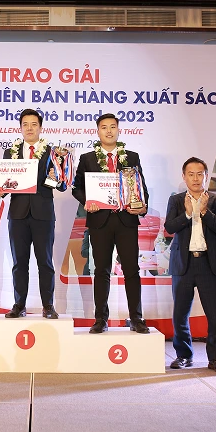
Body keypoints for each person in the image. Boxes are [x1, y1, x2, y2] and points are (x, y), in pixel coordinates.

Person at [72, 113, 150, 334]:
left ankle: (136, 318)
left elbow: (141, 187)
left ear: (118, 130)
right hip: (100, 221)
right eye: (104, 127)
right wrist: (87, 201)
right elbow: (76, 187)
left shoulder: (131, 157)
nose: (109, 131)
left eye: (113, 127)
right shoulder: (88, 158)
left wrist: (142, 206)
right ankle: (100, 319)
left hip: (126, 220)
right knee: (101, 271)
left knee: (131, 270)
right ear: (98, 131)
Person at [0, 108, 65, 319]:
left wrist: (56, 178)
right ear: (20, 128)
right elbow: (5, 185)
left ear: (40, 128)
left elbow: (60, 186)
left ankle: (48, 305)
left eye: (34, 124)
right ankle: (19, 304)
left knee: (46, 263)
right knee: (19, 263)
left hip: (43, 214)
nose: (29, 128)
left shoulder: (52, 152)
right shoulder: (10, 153)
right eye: (25, 124)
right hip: (18, 215)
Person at [164, 157, 216, 373]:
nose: (195, 178)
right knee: (180, 313)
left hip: (208, 263)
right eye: (190, 174)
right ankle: (183, 355)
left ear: (206, 176)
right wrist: (188, 213)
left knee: (214, 314)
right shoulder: (176, 200)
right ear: (184, 177)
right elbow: (170, 227)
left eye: (200, 174)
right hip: (183, 262)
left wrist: (203, 211)